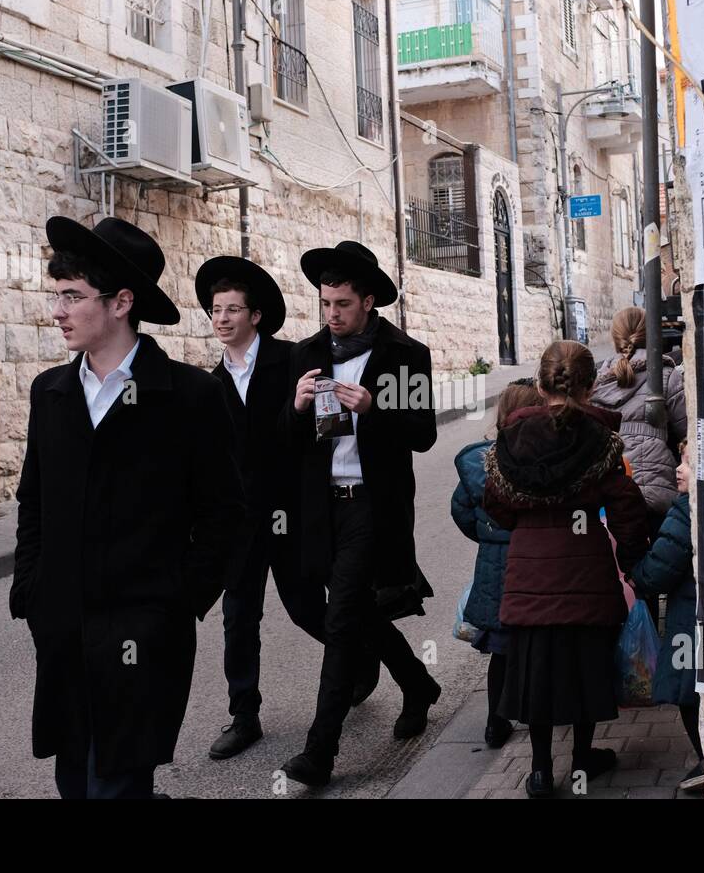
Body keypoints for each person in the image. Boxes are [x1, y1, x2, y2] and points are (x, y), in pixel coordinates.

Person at [9, 216, 245, 799]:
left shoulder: (189, 396)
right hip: (64, 625)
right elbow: (33, 502)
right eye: (56, 294)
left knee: (116, 783)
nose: (57, 311)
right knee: (73, 778)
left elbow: (225, 514)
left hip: (143, 632)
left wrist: (178, 599)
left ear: (121, 302)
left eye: (72, 296)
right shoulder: (50, 393)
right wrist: (32, 591)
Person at [278, 241, 441, 787]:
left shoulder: (404, 355)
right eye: (324, 303)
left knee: (345, 617)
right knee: (356, 611)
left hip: (374, 503)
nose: (331, 314)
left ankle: (319, 753)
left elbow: (422, 435)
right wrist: (296, 409)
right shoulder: (306, 355)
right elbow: (285, 442)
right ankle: (417, 682)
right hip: (323, 509)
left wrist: (374, 409)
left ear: (369, 301)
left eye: (342, 304)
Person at [484, 340, 651, 798]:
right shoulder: (599, 439)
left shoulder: (513, 438)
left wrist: (531, 521)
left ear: (539, 383)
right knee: (584, 666)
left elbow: (495, 505)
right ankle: (581, 759)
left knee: (536, 668)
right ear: (591, 385)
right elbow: (625, 507)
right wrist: (635, 560)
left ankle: (539, 769)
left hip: (530, 574)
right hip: (585, 574)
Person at [198, 256, 328, 760]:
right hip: (240, 519)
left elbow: (316, 437)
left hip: (289, 511)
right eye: (215, 310)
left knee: (305, 607)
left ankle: (360, 654)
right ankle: (244, 714)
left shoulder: (293, 360)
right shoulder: (211, 382)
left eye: (233, 309)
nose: (223, 319)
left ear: (256, 316)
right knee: (239, 615)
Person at [450, 378, 543, 749]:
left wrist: (489, 535)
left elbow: (460, 509)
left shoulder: (480, 462)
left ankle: (495, 722)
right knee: (536, 649)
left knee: (502, 653)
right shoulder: (541, 459)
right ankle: (538, 719)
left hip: (496, 569)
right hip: (533, 567)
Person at [629, 440, 704, 793]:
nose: (677, 469)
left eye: (687, 463)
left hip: (690, 619)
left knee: (688, 694)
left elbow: (659, 569)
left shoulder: (686, 510)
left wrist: (636, 575)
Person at [590, 307, 688, 515]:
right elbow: (688, 436)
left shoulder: (596, 384)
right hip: (654, 489)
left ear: (615, 339)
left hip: (607, 490)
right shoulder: (667, 376)